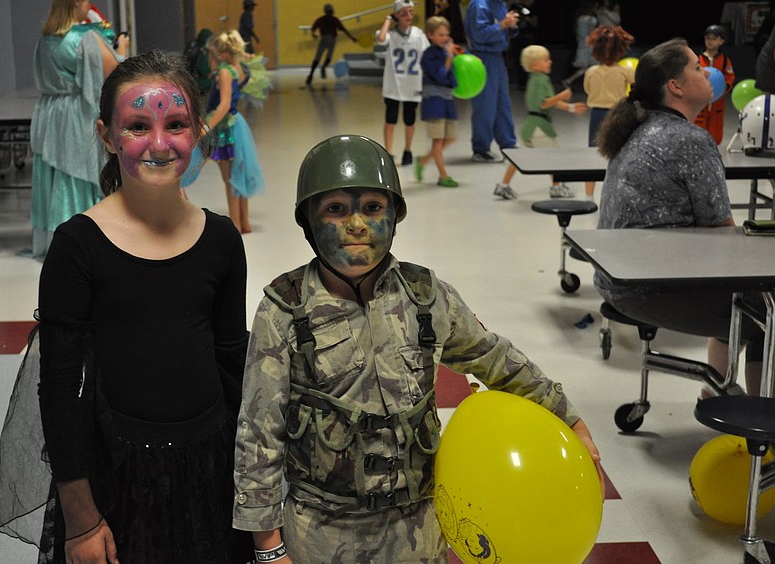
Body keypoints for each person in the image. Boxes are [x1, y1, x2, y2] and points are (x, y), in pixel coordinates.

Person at [232, 133, 605, 563]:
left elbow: (499, 360)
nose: (357, 224)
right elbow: (259, 431)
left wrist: (571, 419)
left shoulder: (426, 298)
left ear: (394, 216)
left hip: (417, 528)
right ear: (309, 221)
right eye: (336, 209)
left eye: (373, 207)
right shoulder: (285, 309)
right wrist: (269, 547)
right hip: (321, 531)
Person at [30, 50, 252, 563]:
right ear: (107, 136)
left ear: (198, 132)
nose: (158, 143)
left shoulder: (221, 240)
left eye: (175, 124)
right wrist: (82, 520)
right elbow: (59, 391)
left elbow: (233, 367)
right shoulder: (78, 246)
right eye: (137, 126)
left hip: (210, 470)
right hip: (117, 478)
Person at [595, 39, 765, 396]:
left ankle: (716, 390)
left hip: (619, 281)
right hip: (651, 289)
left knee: (744, 294)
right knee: (768, 309)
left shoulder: (636, 127)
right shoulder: (690, 140)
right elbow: (721, 231)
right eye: (698, 69)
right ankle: (760, 413)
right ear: (675, 87)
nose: (708, 73)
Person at [29, 0, 129, 260]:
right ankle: (87, 237)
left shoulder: (45, 39)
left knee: (58, 174)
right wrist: (122, 48)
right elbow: (116, 71)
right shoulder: (86, 38)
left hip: (51, 113)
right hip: (76, 114)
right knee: (78, 172)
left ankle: (56, 238)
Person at [494, 45, 587, 200]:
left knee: (521, 158)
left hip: (530, 126)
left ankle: (503, 185)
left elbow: (549, 102)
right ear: (535, 65)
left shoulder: (536, 79)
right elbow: (544, 104)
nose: (550, 62)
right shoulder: (540, 80)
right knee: (554, 157)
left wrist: (570, 107)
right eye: (546, 60)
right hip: (540, 127)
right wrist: (562, 96)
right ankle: (556, 187)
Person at [205, 30, 265, 233]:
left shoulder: (224, 72)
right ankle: (244, 221)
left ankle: (235, 224)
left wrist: (206, 126)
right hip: (237, 123)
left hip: (226, 127)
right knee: (239, 173)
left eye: (212, 53)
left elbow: (223, 104)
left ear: (221, 54)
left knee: (230, 179)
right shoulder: (239, 68)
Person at [583, 24, 634, 200]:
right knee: (619, 153)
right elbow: (635, 87)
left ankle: (588, 196)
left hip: (597, 114)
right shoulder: (625, 71)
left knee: (593, 153)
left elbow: (588, 89)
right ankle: (619, 193)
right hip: (617, 114)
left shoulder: (591, 72)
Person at [465, 0, 519, 163]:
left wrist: (511, 27)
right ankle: (481, 149)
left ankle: (508, 145)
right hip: (483, 58)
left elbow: (504, 33)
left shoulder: (500, 4)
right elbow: (479, 35)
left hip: (497, 57)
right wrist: (502, 24)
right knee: (485, 105)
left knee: (503, 104)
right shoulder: (479, 6)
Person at [376, 0, 429, 165]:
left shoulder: (418, 34)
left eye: (411, 12)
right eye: (403, 13)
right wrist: (388, 19)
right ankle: (388, 152)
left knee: (410, 120)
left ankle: (408, 150)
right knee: (390, 120)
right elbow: (381, 38)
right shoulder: (390, 35)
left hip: (412, 84)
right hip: (393, 84)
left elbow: (427, 56)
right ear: (396, 15)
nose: (408, 16)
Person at [415, 16, 460, 187]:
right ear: (430, 35)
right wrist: (449, 59)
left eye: (447, 34)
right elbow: (440, 75)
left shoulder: (447, 50)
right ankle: (442, 176)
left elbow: (463, 60)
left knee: (450, 137)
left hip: (448, 99)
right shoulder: (429, 55)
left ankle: (423, 160)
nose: (445, 38)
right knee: (438, 140)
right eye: (441, 35)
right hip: (434, 100)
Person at [694, 25, 735, 144]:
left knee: (715, 133)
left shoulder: (725, 61)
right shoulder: (698, 59)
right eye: (707, 38)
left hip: (717, 103)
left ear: (721, 41)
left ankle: (713, 150)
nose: (710, 41)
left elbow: (729, 76)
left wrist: (725, 87)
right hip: (700, 103)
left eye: (714, 38)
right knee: (698, 130)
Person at [306, 4, 357, 86]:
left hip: (324, 39)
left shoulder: (321, 19)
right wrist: (351, 38)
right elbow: (343, 29)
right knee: (328, 57)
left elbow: (313, 28)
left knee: (317, 57)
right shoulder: (334, 19)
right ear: (332, 11)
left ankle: (311, 75)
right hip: (332, 39)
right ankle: (323, 68)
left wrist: (313, 34)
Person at [563, 1, 598, 90]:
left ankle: (569, 80)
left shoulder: (580, 19)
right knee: (594, 65)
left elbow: (578, 33)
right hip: (589, 45)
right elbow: (592, 34)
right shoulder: (592, 20)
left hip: (582, 44)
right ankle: (569, 80)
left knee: (589, 67)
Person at [507, 0, 538, 90]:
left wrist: (527, 19)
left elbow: (535, 23)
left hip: (527, 37)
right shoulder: (515, 7)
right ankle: (522, 82)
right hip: (516, 37)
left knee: (529, 58)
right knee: (518, 59)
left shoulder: (531, 8)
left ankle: (530, 82)